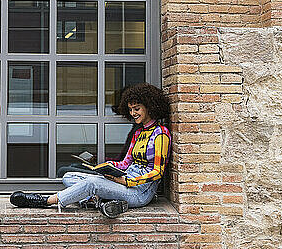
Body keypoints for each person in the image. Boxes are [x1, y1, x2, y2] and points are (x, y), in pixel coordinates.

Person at [10, 83, 171, 218]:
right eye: (130, 109)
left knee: (92, 183)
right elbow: (125, 163)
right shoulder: (138, 133)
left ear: (149, 107)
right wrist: (106, 167)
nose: (132, 113)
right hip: (124, 182)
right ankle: (102, 202)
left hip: (139, 192)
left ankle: (46, 201)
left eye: (136, 109)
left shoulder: (161, 134)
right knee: (69, 176)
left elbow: (158, 172)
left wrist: (127, 181)